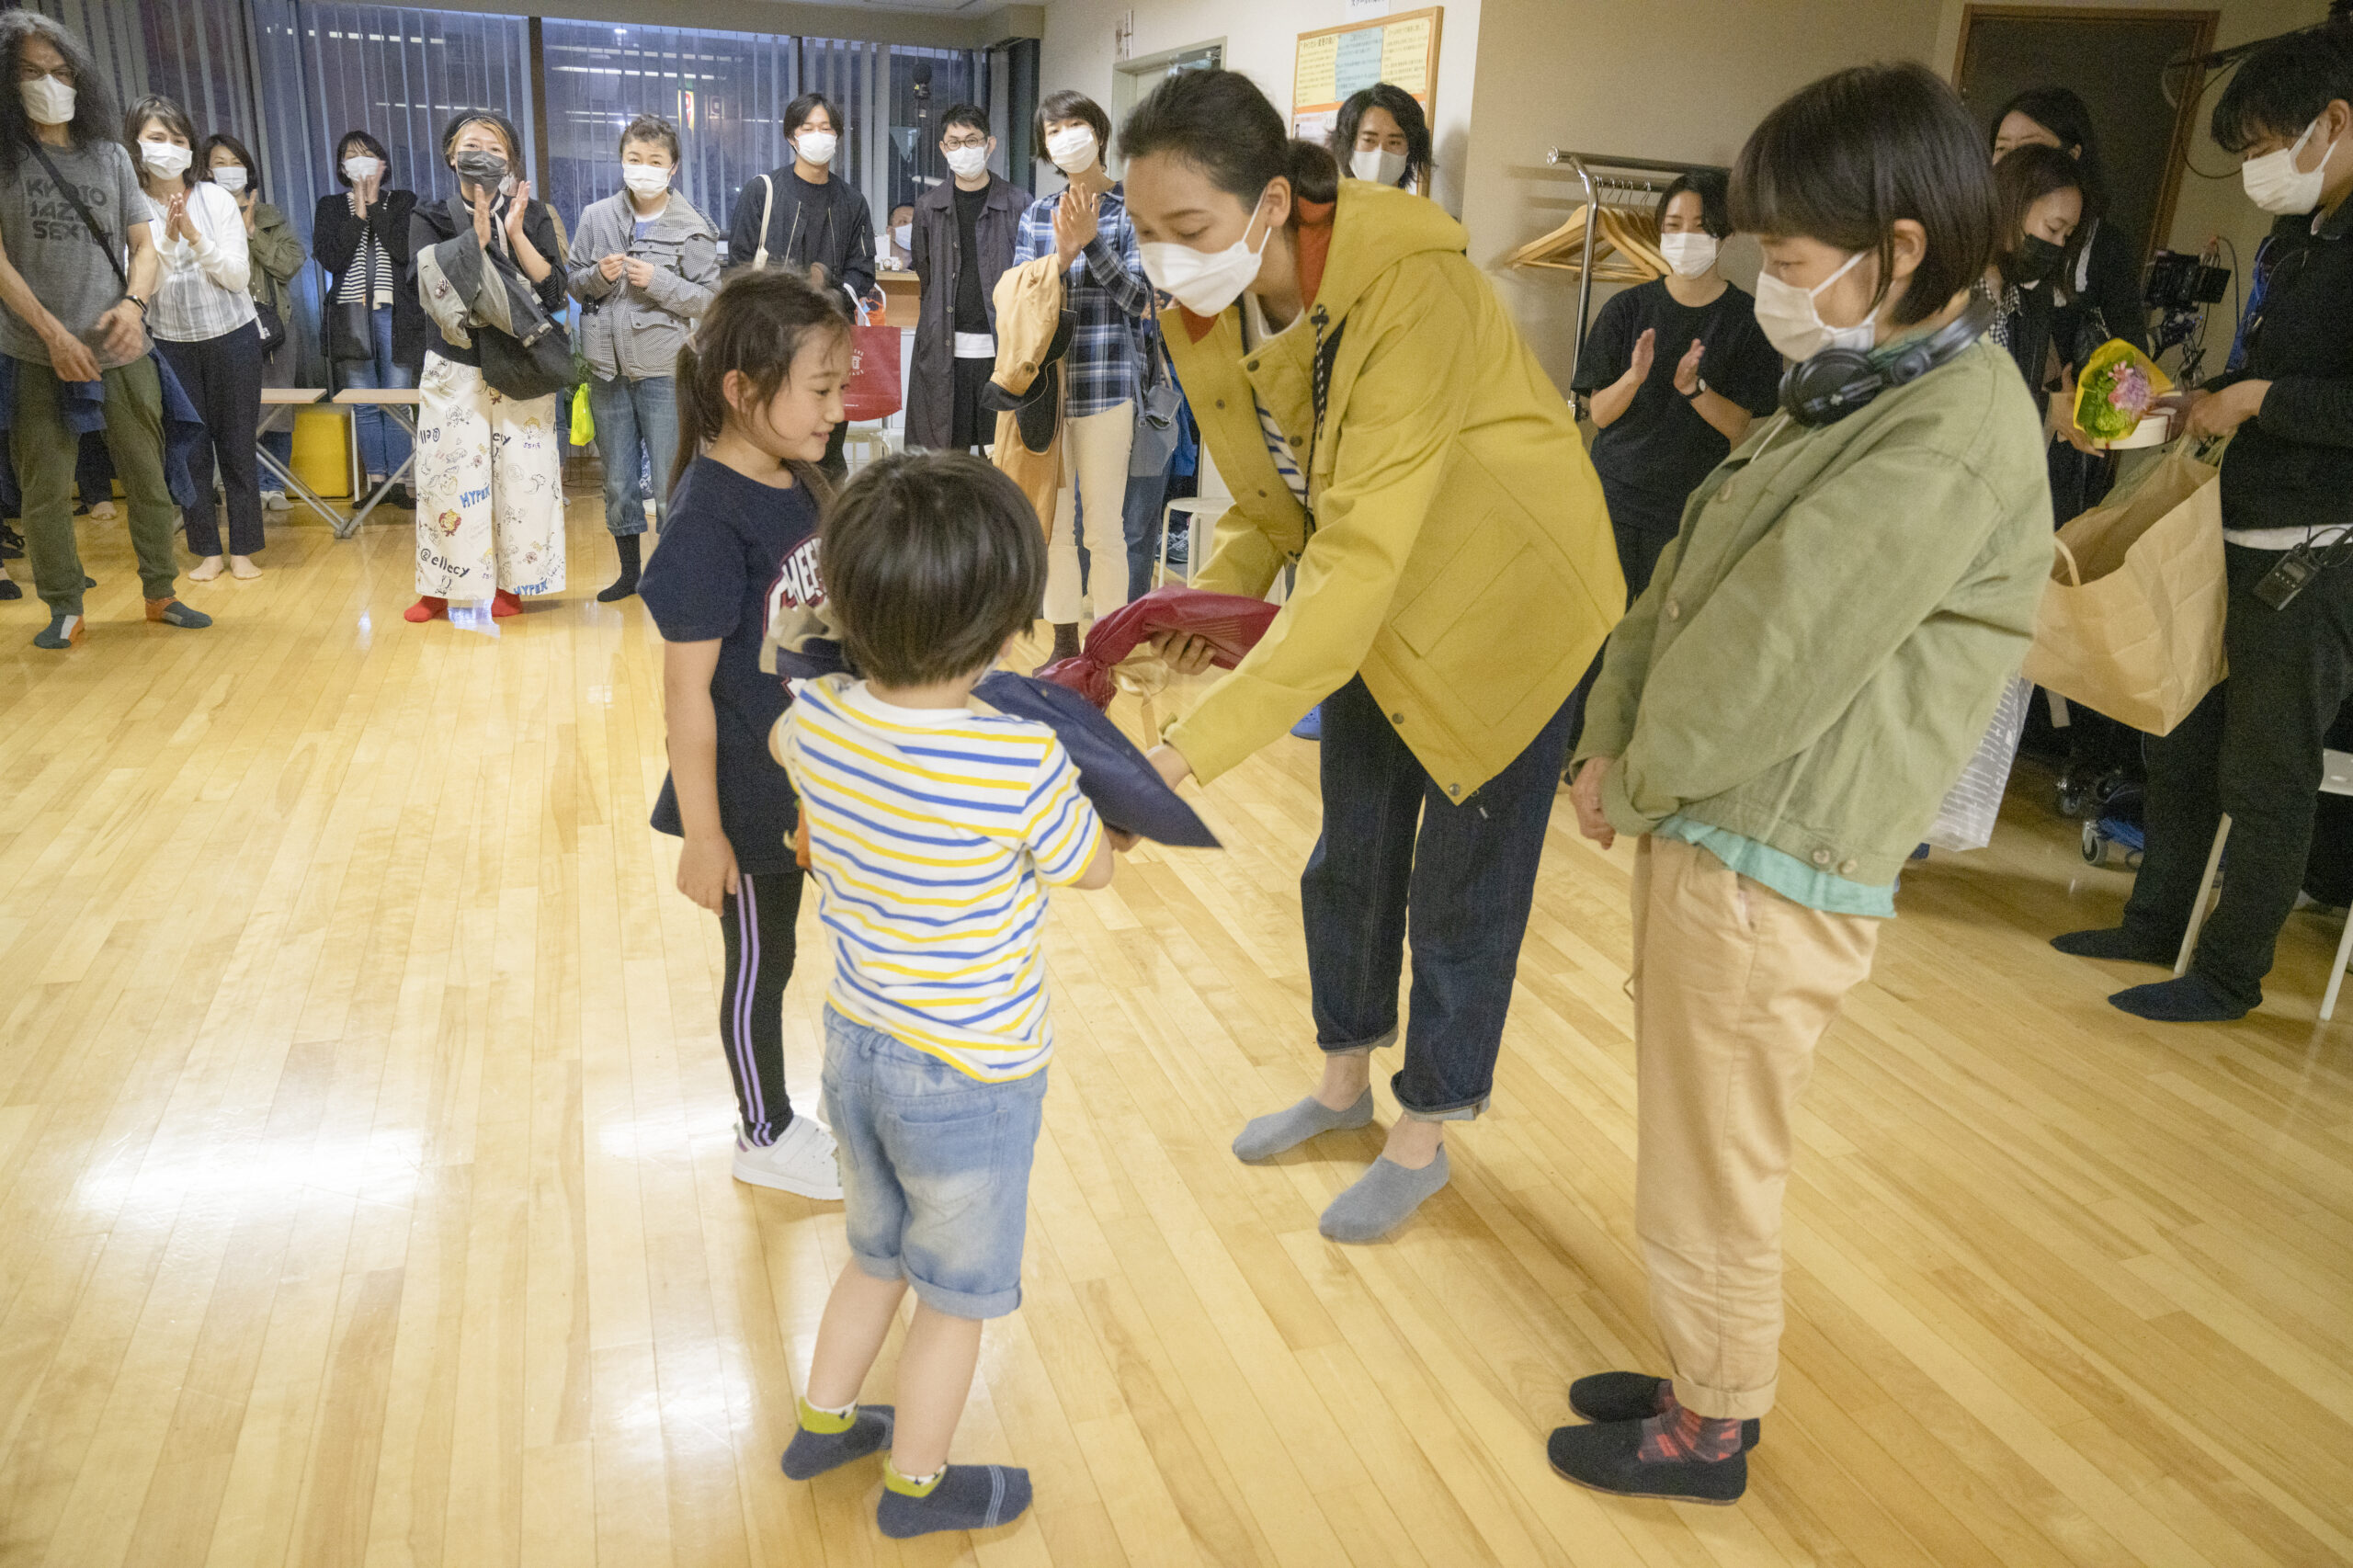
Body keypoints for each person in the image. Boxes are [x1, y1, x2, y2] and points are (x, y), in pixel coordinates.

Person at [1554, 62, 2050, 1504]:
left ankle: (1712, 1423)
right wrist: (1612, 738)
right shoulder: (1863, 380)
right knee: (1693, 1133)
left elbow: (1775, 650)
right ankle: (1698, 1369)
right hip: (1719, 819)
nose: (1770, 284)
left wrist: (1635, 777)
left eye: (1787, 259)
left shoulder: (1954, 426)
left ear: (1899, 249)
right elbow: (1689, 569)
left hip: (1773, 845)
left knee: (1716, 1154)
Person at [1119, 69, 1621, 1241]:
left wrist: (1177, 758)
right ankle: (1342, 1083)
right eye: (1144, 230)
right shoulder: (1213, 304)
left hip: (1508, 613)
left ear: (1273, 202)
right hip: (1376, 602)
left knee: (1461, 887)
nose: (1164, 257)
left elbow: (1353, 556)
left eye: (1186, 226)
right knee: (1349, 856)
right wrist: (1188, 618)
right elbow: (1274, 497)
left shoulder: (1414, 293)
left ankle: (1424, 1129)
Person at [772, 449, 1121, 1541]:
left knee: (873, 1256)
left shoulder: (812, 720)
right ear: (1004, 626)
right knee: (953, 1298)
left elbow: (792, 725)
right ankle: (918, 1485)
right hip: (973, 1073)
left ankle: (824, 1421)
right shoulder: (1019, 760)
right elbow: (1091, 866)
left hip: (857, 1049)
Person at [2053, 25, 2353, 1023]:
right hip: (2233, 525)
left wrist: (2259, 400)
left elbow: (2309, 398)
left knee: (2267, 771)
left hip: (2320, 551)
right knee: (2179, 737)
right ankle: (2154, 921)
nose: (2259, 169)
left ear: (2334, 122)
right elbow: (2264, 373)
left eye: (2265, 145)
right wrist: (2192, 400)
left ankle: (2228, 974)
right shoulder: (2301, 240)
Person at [638, 268, 849, 1199]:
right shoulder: (704, 517)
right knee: (764, 961)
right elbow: (685, 697)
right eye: (821, 388)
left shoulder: (802, 479)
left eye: (840, 387)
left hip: (821, 777)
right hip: (749, 796)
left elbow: (819, 624)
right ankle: (762, 1131)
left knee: (840, 943)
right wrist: (704, 833)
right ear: (741, 388)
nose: (838, 409)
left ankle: (845, 1101)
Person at [0, 9, 209, 649]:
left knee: (148, 474)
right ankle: (64, 605)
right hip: (34, 349)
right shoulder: (5, 158)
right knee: (44, 487)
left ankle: (161, 592)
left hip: (121, 346)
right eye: (32, 71)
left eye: (61, 71)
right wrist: (52, 333)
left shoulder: (110, 156)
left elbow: (144, 247)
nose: (49, 83)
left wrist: (134, 306)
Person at [1572, 169, 1783, 603]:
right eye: (1673, 225)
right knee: (1598, 622)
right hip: (1613, 496)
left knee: (1661, 624)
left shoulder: (1748, 321)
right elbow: (1601, 415)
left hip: (1688, 506)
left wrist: (1693, 389)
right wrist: (1634, 377)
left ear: (1725, 234)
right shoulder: (1626, 309)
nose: (1685, 237)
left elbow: (1736, 426)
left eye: (1700, 227)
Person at [405, 109, 567, 622]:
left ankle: (513, 586)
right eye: (472, 146)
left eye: (496, 149)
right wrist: (471, 242)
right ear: (452, 156)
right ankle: (439, 588)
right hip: (454, 361)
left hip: (522, 363)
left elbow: (555, 292)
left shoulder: (533, 213)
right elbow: (420, 284)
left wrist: (514, 233)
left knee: (523, 479)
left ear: (511, 163)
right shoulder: (430, 214)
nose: (483, 156)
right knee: (446, 476)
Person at [1015, 89, 1153, 662]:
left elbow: (1141, 300)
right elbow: (1020, 296)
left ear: (1098, 132)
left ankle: (1109, 643)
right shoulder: (1035, 213)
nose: (1065, 137)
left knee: (1104, 528)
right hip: (1048, 389)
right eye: (1053, 131)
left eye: (1075, 125)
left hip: (1107, 385)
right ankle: (1065, 643)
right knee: (1054, 528)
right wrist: (1062, 257)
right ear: (1044, 147)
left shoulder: (1131, 209)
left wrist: (1092, 242)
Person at [568, 112, 718, 603]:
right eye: (635, 158)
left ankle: (674, 576)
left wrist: (660, 282)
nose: (644, 168)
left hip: (663, 370)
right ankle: (629, 574)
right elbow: (573, 281)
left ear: (672, 168)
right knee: (618, 480)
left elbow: (710, 299)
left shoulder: (692, 226)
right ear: (621, 161)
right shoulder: (596, 217)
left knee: (673, 481)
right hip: (606, 368)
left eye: (655, 160)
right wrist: (598, 276)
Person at [130, 95, 264, 584]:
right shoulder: (132, 205)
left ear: (191, 148)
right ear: (136, 144)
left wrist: (192, 234)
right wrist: (166, 238)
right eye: (156, 138)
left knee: (237, 446)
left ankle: (244, 548)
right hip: (170, 342)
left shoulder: (214, 198)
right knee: (190, 450)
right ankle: (206, 549)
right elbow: (145, 284)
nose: (168, 147)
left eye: (178, 139)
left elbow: (236, 277)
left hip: (233, 336)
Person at [727, 92, 875, 481]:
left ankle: (826, 517)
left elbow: (863, 271)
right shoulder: (762, 191)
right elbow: (737, 269)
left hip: (828, 346)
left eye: (826, 128)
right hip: (769, 345)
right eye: (808, 128)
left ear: (837, 136)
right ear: (791, 137)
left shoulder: (853, 202)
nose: (818, 135)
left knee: (826, 452)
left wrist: (829, 291)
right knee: (769, 448)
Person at [907, 103, 1024, 455]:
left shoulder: (1017, 203)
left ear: (990, 144)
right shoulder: (929, 207)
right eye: (954, 142)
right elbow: (926, 277)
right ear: (943, 149)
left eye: (972, 140)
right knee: (947, 459)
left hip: (1002, 354)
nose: (963, 149)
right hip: (946, 355)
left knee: (1001, 458)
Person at [314, 131, 423, 507]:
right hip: (350, 315)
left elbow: (403, 250)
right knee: (363, 400)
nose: (358, 160)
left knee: (397, 398)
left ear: (382, 162)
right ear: (342, 165)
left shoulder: (403, 201)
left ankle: (401, 482)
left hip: (397, 314)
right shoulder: (330, 206)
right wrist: (359, 212)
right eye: (351, 154)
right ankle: (377, 481)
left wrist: (375, 203)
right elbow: (332, 258)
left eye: (367, 153)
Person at [203, 132, 301, 516]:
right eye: (219, 163)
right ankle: (240, 487)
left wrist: (251, 232)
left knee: (278, 409)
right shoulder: (201, 216)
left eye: (235, 163)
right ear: (206, 171)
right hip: (223, 326)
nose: (229, 170)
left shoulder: (270, 217)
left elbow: (290, 264)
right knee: (233, 411)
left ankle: (274, 486)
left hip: (274, 325)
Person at [1980, 146, 2086, 418]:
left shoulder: (2026, 301)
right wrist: (2049, 409)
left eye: (2067, 235)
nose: (2059, 245)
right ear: (2012, 205)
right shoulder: (1950, 292)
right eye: (2053, 228)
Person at [1330, 83, 1431, 192]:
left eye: (1394, 142)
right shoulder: (1329, 203)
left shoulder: (1420, 204)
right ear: (1347, 144)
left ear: (1411, 149)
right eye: (1369, 140)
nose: (1380, 153)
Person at [881, 201, 914, 269]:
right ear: (889, 231)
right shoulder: (878, 263)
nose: (910, 227)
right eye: (904, 222)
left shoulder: (927, 268)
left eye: (914, 223)